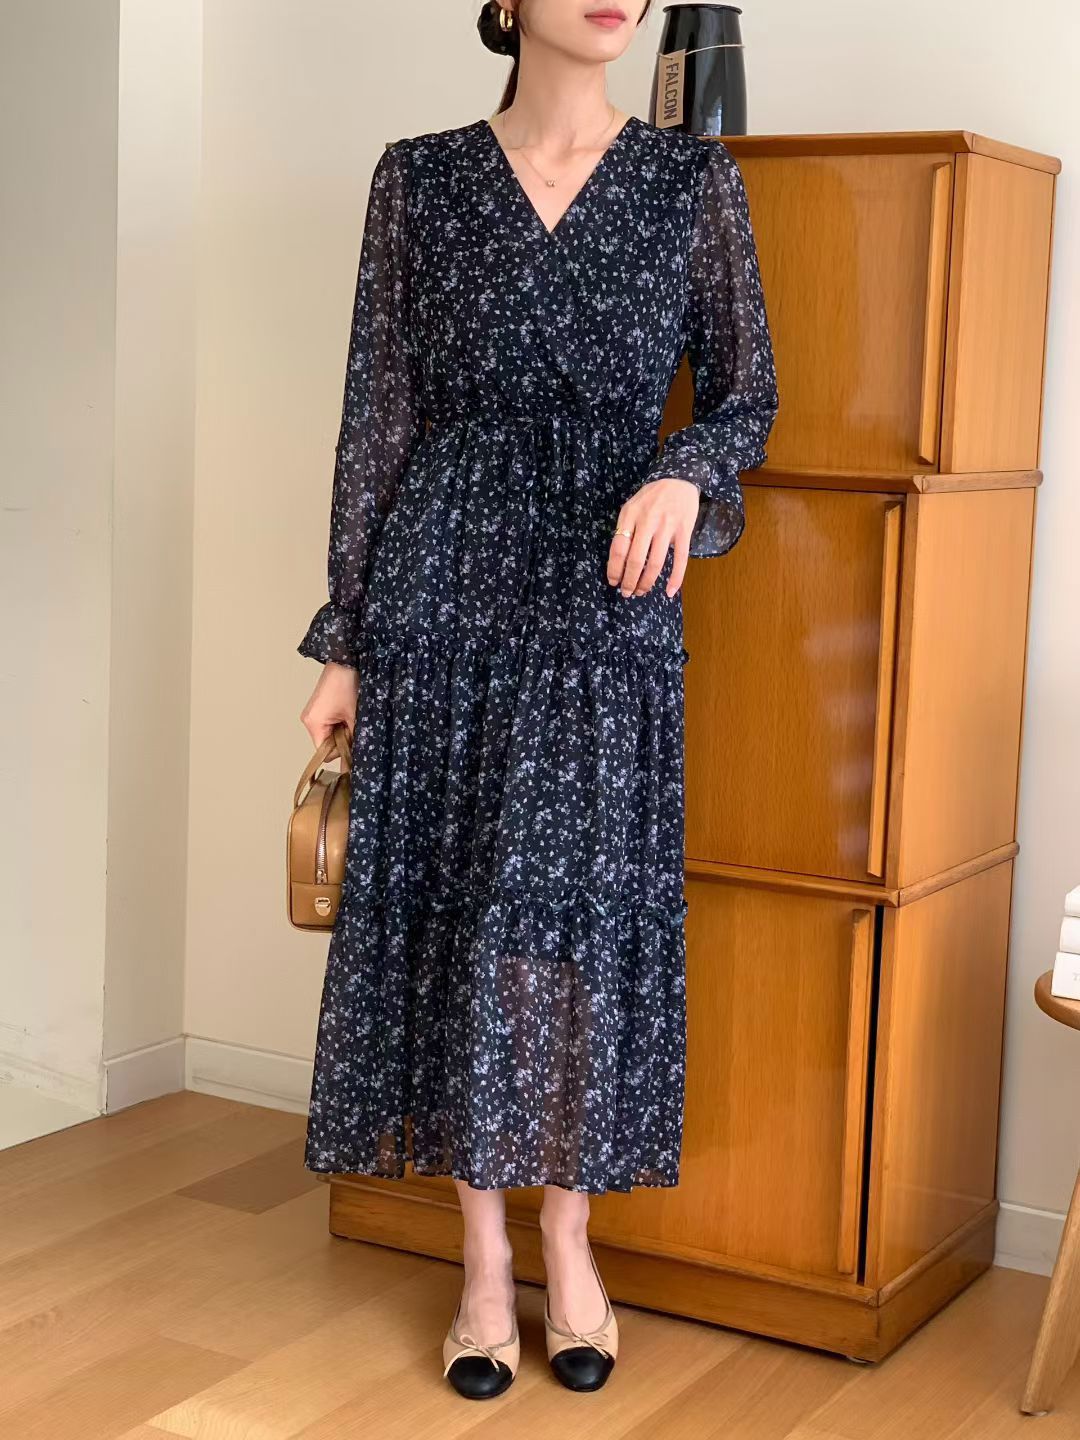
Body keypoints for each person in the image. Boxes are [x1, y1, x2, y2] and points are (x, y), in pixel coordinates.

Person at [297, 0, 779, 1402]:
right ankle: (481, 1258)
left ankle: (570, 1238)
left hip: (604, 602)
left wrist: (684, 469)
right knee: (455, 911)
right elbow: (378, 417)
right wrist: (347, 641)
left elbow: (748, 395)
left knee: (571, 926)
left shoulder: (691, 181)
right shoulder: (419, 179)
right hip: (443, 591)